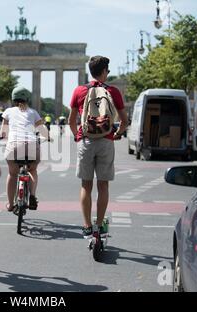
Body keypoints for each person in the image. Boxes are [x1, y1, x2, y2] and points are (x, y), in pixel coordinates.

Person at [68, 56, 128, 238]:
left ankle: (86, 226)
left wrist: (77, 137)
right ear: (103, 71)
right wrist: (116, 134)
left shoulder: (79, 91)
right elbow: (124, 121)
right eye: (107, 71)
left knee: (86, 185)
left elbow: (72, 121)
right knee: (103, 185)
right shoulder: (113, 91)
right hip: (106, 141)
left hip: (86, 140)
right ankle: (100, 225)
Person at [0, 87, 50, 212]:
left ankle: (11, 204)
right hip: (32, 144)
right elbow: (43, 131)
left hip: (14, 145)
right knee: (32, 170)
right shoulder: (33, 112)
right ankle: (32, 195)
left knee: (12, 174)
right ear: (27, 99)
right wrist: (49, 137)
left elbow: (3, 133)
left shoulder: (8, 112)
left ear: (13, 99)